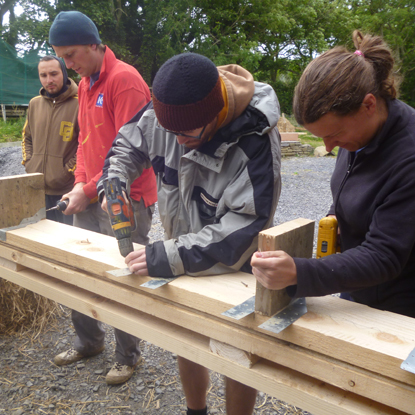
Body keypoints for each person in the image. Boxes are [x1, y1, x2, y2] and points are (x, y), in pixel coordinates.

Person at [97, 52, 282, 415]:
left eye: (186, 133)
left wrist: (165, 257)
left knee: (237, 349)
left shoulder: (255, 138)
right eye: (170, 132)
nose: (176, 141)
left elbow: (244, 229)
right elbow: (126, 145)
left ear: (214, 115)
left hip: (234, 265)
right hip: (180, 246)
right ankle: (195, 411)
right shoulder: (169, 114)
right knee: (186, 339)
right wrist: (113, 181)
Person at [251, 30, 415, 320]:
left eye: (334, 135)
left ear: (368, 105)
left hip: (400, 310)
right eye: (322, 137)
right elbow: (361, 188)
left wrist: (299, 272)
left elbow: (385, 256)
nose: (327, 148)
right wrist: (337, 214)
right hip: (361, 288)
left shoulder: (408, 158)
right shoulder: (362, 133)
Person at [48, 11, 158, 385]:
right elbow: (84, 143)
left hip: (128, 197)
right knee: (83, 269)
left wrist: (88, 189)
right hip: (92, 193)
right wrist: (79, 183)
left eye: (73, 53)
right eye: (61, 56)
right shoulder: (84, 84)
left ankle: (128, 355)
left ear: (95, 44)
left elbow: (131, 153)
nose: (68, 63)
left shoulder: (124, 81)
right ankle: (89, 340)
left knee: (124, 274)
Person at [22, 55, 78, 225]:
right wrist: (29, 164)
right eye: (43, 75)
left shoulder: (80, 103)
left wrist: (66, 171)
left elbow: (85, 144)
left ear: (64, 73)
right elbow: (27, 137)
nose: (49, 80)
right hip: (37, 190)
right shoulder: (34, 104)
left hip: (67, 192)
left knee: (69, 243)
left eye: (54, 74)